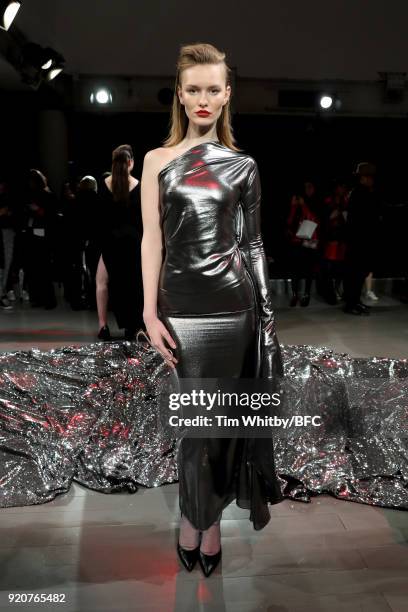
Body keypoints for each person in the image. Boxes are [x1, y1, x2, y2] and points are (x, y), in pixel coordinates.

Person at [141, 43, 283, 577]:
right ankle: (193, 516)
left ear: (227, 95)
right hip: (180, 310)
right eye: (192, 89)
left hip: (235, 311)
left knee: (221, 425)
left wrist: (265, 318)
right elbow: (151, 242)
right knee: (193, 426)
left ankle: (210, 521)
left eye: (212, 89)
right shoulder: (157, 161)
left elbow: (253, 247)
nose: (202, 98)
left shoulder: (244, 166)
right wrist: (150, 312)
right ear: (180, 94)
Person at [97, 145, 143, 341]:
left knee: (102, 283)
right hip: (133, 242)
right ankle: (133, 325)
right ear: (131, 162)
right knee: (134, 284)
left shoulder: (104, 184)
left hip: (110, 242)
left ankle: (103, 326)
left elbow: (99, 218)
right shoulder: (138, 185)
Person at [343, 162, 382, 315]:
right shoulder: (359, 193)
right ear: (363, 178)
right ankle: (350, 304)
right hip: (358, 241)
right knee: (354, 273)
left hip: (364, 240)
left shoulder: (367, 192)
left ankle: (356, 301)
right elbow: (357, 220)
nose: (372, 180)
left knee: (360, 273)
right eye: (370, 177)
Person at [286, 181, 321, 307]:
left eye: (310, 186)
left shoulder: (316, 202)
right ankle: (295, 294)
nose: (308, 189)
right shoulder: (296, 203)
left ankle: (306, 294)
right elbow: (289, 222)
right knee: (295, 269)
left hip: (309, 242)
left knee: (308, 270)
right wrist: (294, 206)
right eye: (306, 187)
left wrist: (304, 205)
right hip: (296, 242)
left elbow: (313, 219)